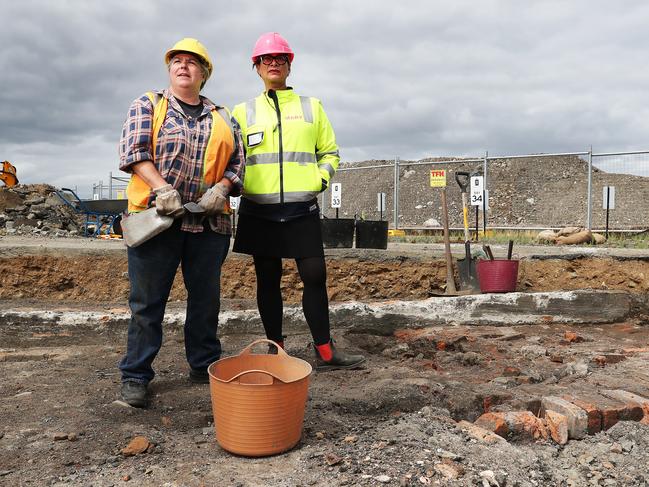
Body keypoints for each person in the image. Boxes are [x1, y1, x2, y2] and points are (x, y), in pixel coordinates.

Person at [117, 38, 245, 407]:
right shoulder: (149, 104)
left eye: (193, 62)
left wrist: (222, 189)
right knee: (146, 303)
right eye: (177, 61)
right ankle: (136, 375)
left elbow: (239, 162)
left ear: (204, 73)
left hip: (209, 225)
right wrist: (161, 188)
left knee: (205, 301)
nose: (184, 66)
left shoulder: (223, 116)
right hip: (158, 221)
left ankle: (203, 364)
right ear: (169, 69)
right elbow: (134, 150)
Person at [232, 32, 365, 370]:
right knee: (267, 278)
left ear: (290, 66)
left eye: (280, 58)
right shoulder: (242, 112)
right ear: (257, 67)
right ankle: (275, 348)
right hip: (259, 209)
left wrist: (319, 179)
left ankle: (324, 350)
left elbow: (330, 153)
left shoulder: (311, 107)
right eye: (266, 59)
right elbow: (233, 159)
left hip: (300, 207)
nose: (273, 63)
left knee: (315, 274)